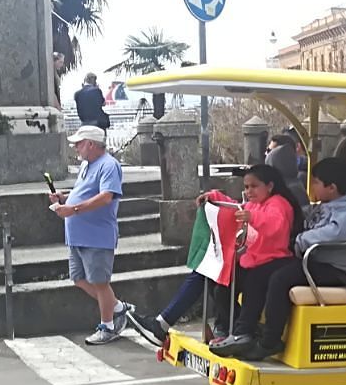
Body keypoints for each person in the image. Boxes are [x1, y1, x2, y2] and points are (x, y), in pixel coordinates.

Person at [222, 157, 346, 362]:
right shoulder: (322, 206)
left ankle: (270, 341)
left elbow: (337, 232)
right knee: (261, 272)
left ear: (332, 187)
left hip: (332, 268)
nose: (312, 187)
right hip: (310, 261)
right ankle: (245, 331)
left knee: (280, 278)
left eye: (316, 182)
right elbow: (300, 217)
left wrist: (301, 239)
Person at [138, 165, 301, 346]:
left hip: (270, 261)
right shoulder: (255, 204)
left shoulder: (279, 203)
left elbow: (276, 224)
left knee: (234, 283)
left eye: (254, 186)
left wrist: (252, 217)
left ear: (269, 186)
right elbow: (235, 208)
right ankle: (234, 328)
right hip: (252, 260)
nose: (249, 191)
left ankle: (240, 330)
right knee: (218, 284)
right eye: (246, 187)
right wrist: (215, 198)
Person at [49, 124, 130, 344]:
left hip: (96, 235)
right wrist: (65, 198)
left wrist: (73, 208)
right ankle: (118, 308)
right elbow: (84, 191)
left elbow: (106, 197)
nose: (75, 147)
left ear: (91, 144)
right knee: (78, 278)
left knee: (100, 282)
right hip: (78, 235)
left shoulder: (109, 165)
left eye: (79, 143)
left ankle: (108, 325)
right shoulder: (87, 165)